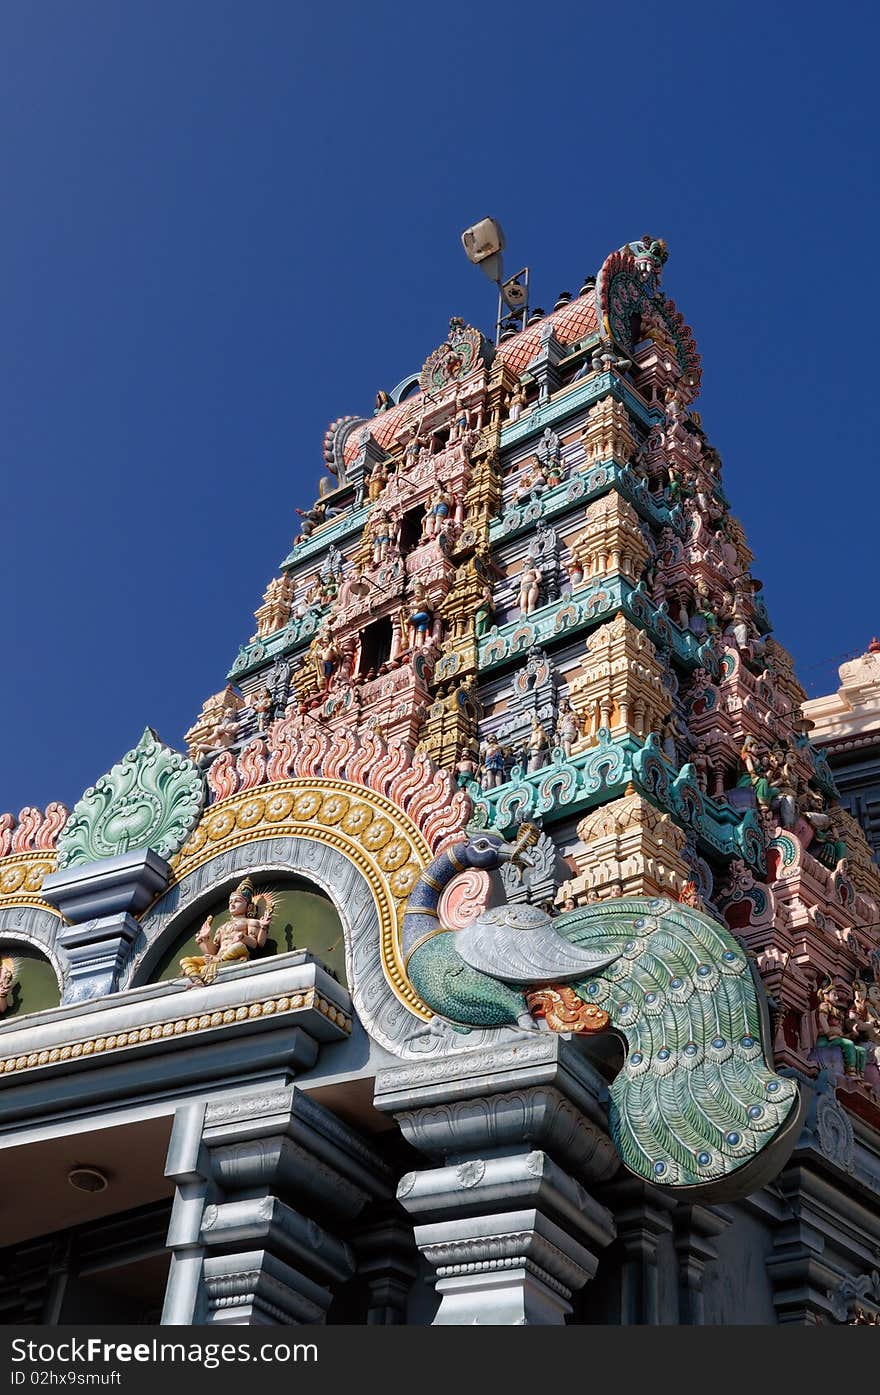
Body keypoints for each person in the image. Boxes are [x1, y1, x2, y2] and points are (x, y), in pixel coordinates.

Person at [180, 879, 275, 987]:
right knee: (185, 961)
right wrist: (205, 939)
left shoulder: (251, 922)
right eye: (230, 902)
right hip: (217, 956)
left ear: (249, 907)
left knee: (239, 946)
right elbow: (213, 951)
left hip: (236, 953)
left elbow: (257, 944)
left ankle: (219, 961)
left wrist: (259, 928)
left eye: (237, 901)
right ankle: (198, 982)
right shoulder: (222, 927)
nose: (232, 905)